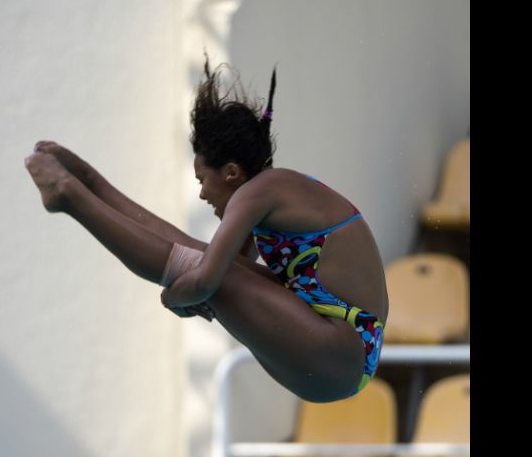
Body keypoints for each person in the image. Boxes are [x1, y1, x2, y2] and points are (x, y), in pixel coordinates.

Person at [24, 58, 388, 403]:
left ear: (231, 172)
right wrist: (92, 178)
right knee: (199, 257)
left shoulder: (258, 192)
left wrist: (172, 298)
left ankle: (69, 196)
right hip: (336, 355)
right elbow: (204, 265)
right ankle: (84, 185)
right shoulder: (271, 194)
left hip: (341, 350)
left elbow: (205, 281)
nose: (201, 193)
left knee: (200, 267)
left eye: (202, 180)